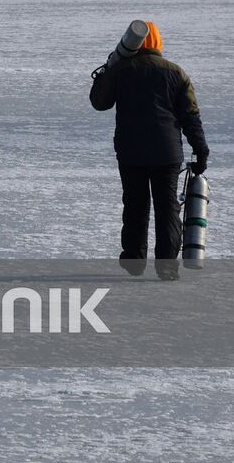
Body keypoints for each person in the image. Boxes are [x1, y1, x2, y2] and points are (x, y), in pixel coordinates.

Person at [89, 21, 209, 277]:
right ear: (157, 43)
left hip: (130, 151)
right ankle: (166, 266)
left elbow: (99, 103)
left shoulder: (121, 70)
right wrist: (200, 149)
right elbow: (190, 116)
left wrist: (107, 70)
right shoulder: (176, 73)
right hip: (166, 153)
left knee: (135, 205)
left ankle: (134, 260)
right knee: (167, 209)